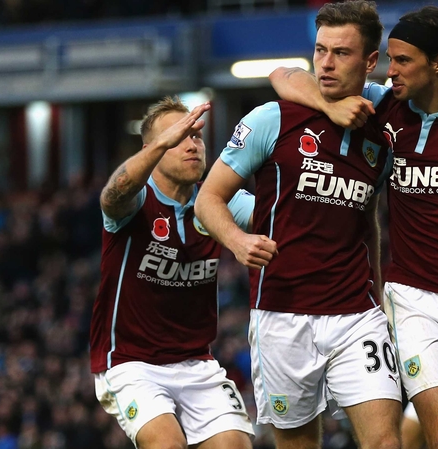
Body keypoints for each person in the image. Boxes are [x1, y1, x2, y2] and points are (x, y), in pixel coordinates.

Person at [269, 5, 438, 449]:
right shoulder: (384, 107)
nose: (389, 70)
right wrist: (328, 105)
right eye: (389, 59)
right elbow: (283, 76)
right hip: (414, 300)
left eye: (402, 61)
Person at [195, 2, 402, 449]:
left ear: (369, 61)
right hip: (282, 315)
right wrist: (236, 240)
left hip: (356, 315)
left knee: (387, 441)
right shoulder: (273, 119)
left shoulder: (384, 126)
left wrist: (380, 297)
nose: (326, 63)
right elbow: (207, 200)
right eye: (320, 50)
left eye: (341, 53)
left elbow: (367, 218)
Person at [88, 97, 255, 449]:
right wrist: (163, 142)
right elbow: (111, 197)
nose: (192, 144)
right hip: (131, 362)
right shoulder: (135, 203)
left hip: (197, 362)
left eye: (196, 135)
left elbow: (284, 215)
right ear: (153, 149)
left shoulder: (218, 201)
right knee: (166, 444)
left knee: (235, 445)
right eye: (179, 138)